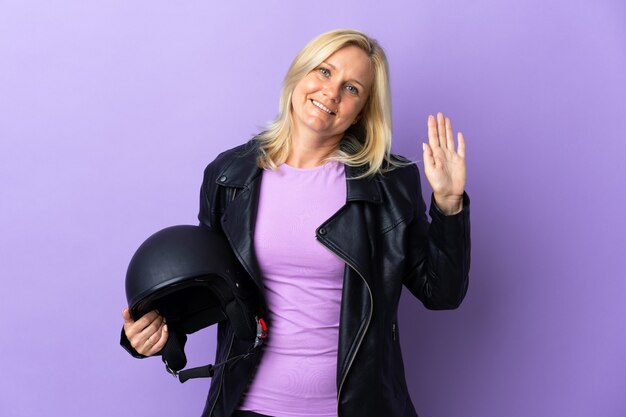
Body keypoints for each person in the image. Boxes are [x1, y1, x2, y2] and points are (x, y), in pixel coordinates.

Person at [121, 28, 470, 417]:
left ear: (363, 109)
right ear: (300, 74)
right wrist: (156, 331)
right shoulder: (228, 175)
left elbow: (442, 294)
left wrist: (449, 204)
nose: (332, 93)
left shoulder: (388, 184)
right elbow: (212, 289)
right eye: (323, 72)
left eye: (352, 88)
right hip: (248, 407)